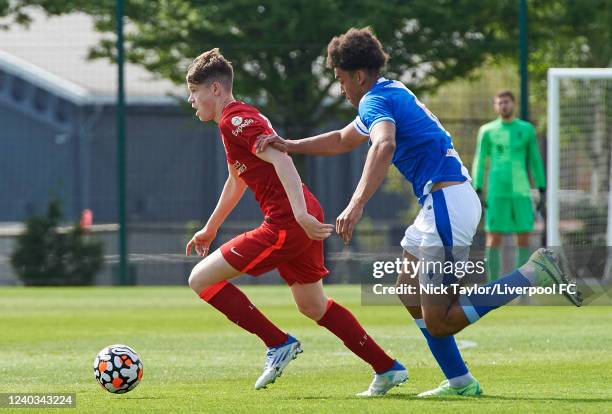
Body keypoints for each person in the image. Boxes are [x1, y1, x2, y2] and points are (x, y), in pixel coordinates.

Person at [257, 27, 581, 397]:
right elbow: (343, 139)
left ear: (358, 76)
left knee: (440, 321)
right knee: (407, 290)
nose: (341, 88)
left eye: (341, 79)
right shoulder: (389, 91)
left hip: (447, 203)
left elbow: (384, 145)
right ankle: (460, 381)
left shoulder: (373, 101)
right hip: (441, 202)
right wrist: (289, 144)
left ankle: (533, 271)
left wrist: (356, 203)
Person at [184, 48, 407, 395]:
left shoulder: (235, 120)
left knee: (201, 279)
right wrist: (210, 228)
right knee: (313, 306)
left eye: (194, 92)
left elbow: (282, 159)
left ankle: (278, 343)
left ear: (214, 89)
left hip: (288, 221)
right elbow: (236, 180)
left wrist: (300, 215)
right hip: (297, 216)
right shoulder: (233, 122)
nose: (191, 100)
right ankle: (387, 367)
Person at [472, 91, 546, 281]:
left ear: (513, 104)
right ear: (496, 107)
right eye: (500, 103)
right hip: (496, 191)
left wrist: (541, 186)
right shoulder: (487, 130)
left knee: (523, 238)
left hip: (521, 192)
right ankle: (492, 287)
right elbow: (480, 159)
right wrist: (478, 186)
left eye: (506, 102)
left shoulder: (526, 129)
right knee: (493, 239)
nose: (503, 105)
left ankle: (520, 288)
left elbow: (535, 159)